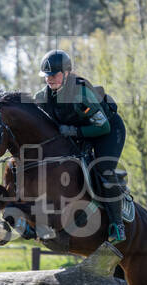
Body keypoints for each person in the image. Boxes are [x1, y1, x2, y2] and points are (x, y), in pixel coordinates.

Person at [33, 49, 127, 244]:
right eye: (47, 76)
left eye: (55, 75)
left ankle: (117, 224)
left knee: (103, 169)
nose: (50, 79)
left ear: (66, 73)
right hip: (81, 130)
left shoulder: (81, 94)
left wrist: (74, 131)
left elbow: (102, 126)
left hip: (107, 131)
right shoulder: (43, 96)